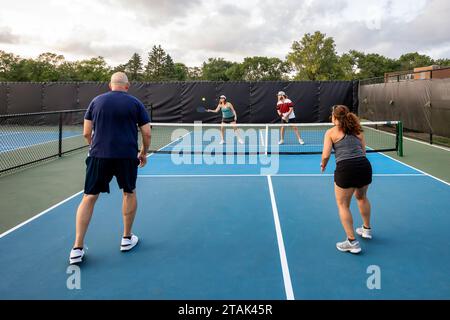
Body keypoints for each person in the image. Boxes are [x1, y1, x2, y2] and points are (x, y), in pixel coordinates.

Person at [69, 72, 151, 264]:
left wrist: (94, 146)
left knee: (89, 197)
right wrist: (143, 152)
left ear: (110, 85)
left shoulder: (96, 101)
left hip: (99, 156)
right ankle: (126, 238)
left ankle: (77, 248)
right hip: (126, 156)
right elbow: (146, 133)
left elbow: (86, 132)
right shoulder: (135, 103)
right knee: (129, 193)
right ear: (127, 86)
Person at [320, 105, 373, 254]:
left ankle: (352, 241)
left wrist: (323, 165)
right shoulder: (358, 131)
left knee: (343, 205)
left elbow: (325, 155)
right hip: (364, 166)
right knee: (361, 197)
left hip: (346, 169)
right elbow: (363, 152)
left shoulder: (330, 132)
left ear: (335, 117)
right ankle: (366, 229)